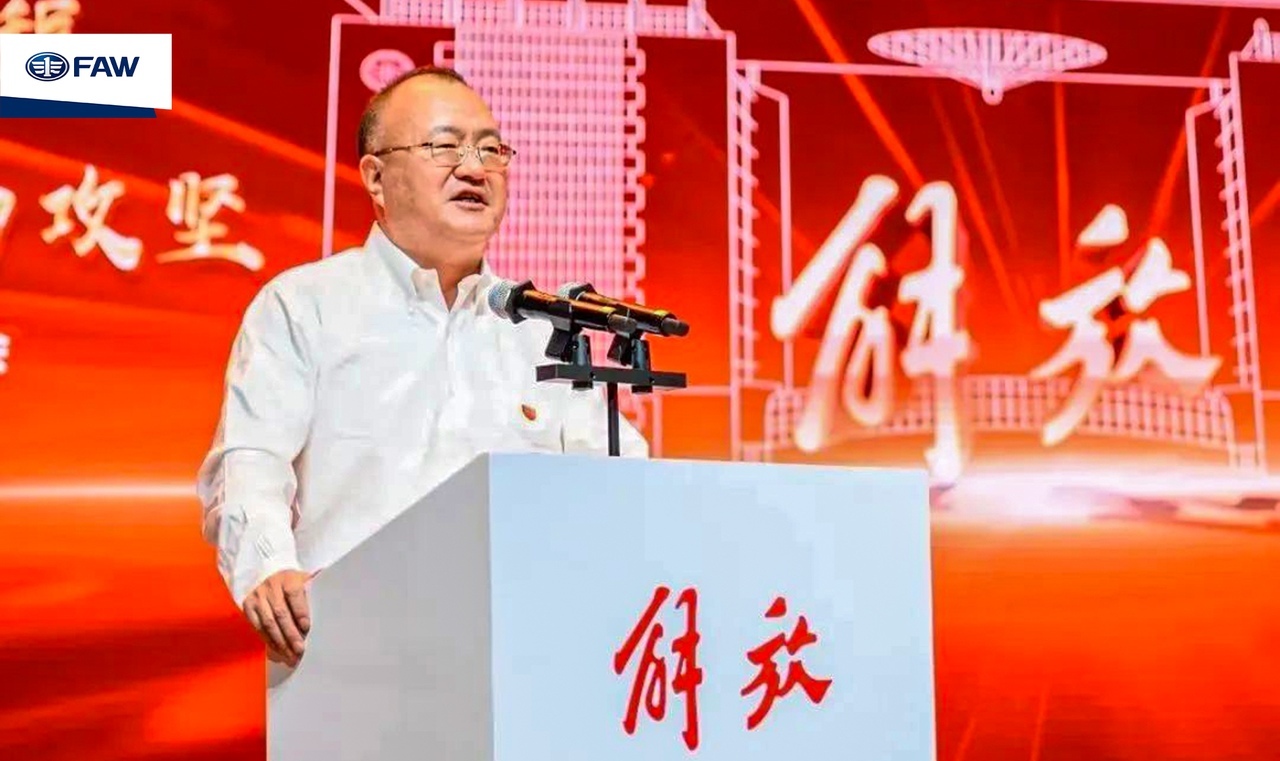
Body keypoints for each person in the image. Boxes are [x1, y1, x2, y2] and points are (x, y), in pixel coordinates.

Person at [196, 66, 648, 673]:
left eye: (491, 150)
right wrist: (268, 566)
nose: (475, 168)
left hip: (525, 658)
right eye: (445, 147)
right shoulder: (305, 306)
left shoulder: (543, 332)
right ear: (376, 177)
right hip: (353, 657)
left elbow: (622, 486)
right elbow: (250, 461)